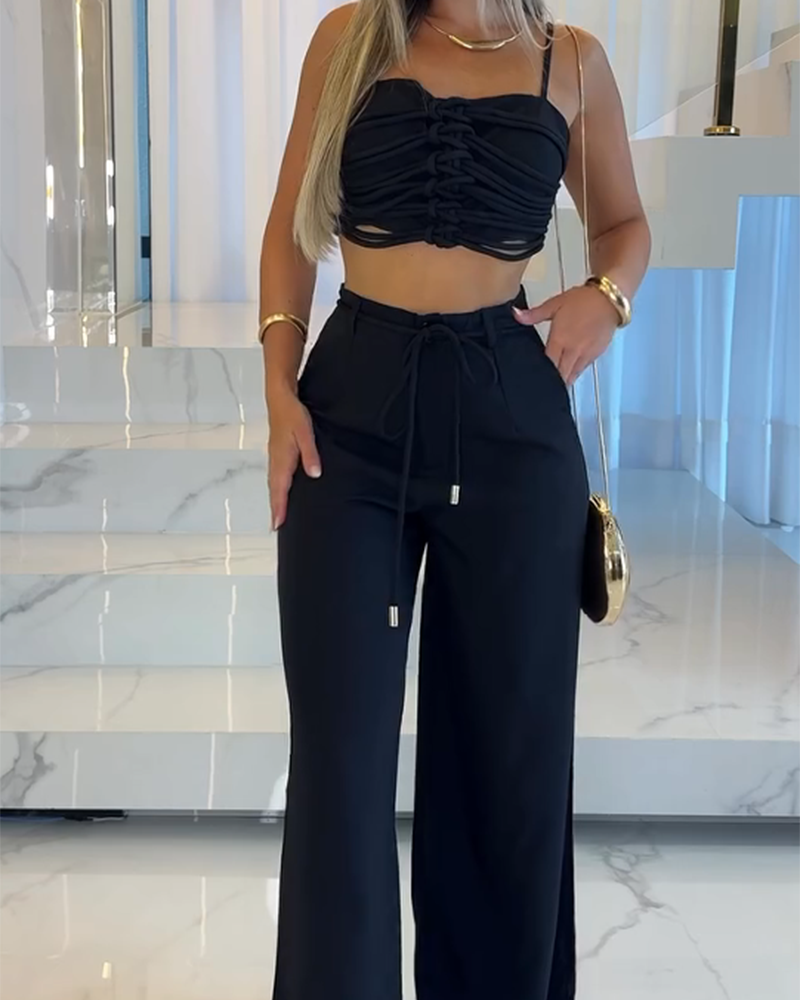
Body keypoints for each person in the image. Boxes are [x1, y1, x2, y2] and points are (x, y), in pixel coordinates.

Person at [260, 1, 650, 997]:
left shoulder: (572, 61)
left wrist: (605, 299)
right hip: (349, 416)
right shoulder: (350, 38)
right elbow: (290, 232)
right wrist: (276, 389)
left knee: (503, 762)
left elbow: (623, 226)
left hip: (511, 416)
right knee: (339, 768)